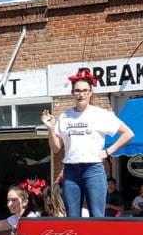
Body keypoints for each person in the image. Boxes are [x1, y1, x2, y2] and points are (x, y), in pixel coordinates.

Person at [41, 68, 134, 217]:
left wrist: (108, 151)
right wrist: (51, 129)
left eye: (85, 90)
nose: (81, 94)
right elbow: (56, 148)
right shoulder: (65, 116)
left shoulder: (101, 114)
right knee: (72, 217)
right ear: (72, 93)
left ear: (90, 92)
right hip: (71, 170)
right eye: (77, 91)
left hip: (93, 169)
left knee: (97, 215)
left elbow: (128, 133)